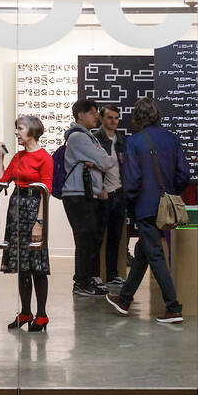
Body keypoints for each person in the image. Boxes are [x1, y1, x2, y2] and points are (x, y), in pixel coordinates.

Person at [106, 97, 190, 323]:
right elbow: (184, 175)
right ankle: (124, 299)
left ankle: (173, 307)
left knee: (155, 255)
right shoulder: (173, 139)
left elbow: (132, 181)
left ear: (137, 116)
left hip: (145, 206)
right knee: (144, 251)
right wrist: (170, 191)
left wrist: (130, 202)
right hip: (166, 206)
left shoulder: (134, 142)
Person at [0, 115, 54, 332]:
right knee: (23, 265)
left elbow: (46, 192)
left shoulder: (44, 157)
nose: (17, 132)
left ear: (32, 131)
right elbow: (2, 181)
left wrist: (39, 223)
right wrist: (1, 157)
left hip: (34, 208)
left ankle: (41, 314)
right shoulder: (18, 157)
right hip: (16, 209)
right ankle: (25, 312)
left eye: (20, 128)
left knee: (38, 266)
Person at [62, 98, 117, 296]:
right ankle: (81, 282)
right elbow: (105, 160)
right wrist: (97, 161)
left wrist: (97, 161)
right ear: (81, 115)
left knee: (91, 238)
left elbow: (106, 162)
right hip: (77, 194)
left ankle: (88, 279)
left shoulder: (90, 137)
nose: (96, 117)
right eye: (93, 113)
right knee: (84, 238)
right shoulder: (78, 137)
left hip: (87, 193)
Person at [94, 104, 127, 287]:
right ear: (101, 118)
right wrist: (99, 189)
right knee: (98, 237)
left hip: (120, 194)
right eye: (109, 117)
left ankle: (113, 274)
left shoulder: (122, 140)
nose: (113, 121)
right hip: (103, 195)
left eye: (116, 117)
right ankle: (95, 275)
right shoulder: (95, 139)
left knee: (115, 237)